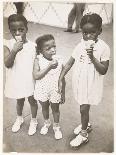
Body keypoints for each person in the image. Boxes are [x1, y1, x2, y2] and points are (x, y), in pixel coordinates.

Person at [59, 13, 110, 147]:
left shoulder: (104, 48)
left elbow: (103, 70)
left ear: (100, 31)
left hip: (92, 83)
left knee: (83, 109)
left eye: (92, 32)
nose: (88, 36)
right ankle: (86, 125)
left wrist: (92, 57)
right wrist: (61, 76)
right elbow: (70, 62)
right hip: (80, 81)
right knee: (82, 106)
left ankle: (83, 134)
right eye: (85, 32)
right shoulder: (81, 44)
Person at [4, 14, 38, 136]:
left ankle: (34, 121)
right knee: (20, 101)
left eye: (21, 30)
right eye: (14, 30)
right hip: (17, 79)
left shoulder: (34, 46)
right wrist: (14, 50)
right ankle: (19, 118)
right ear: (10, 31)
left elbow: (37, 64)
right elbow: (7, 64)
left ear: (26, 29)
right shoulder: (7, 44)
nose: (18, 33)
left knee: (32, 101)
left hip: (30, 79)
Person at [33, 34, 65, 140]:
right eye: (48, 48)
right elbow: (36, 76)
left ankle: (56, 127)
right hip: (43, 89)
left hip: (55, 90)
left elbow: (62, 78)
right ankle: (47, 123)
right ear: (41, 51)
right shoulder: (38, 60)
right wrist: (49, 67)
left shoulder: (59, 59)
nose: (52, 50)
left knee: (56, 109)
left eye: (54, 46)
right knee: (45, 107)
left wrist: (63, 92)